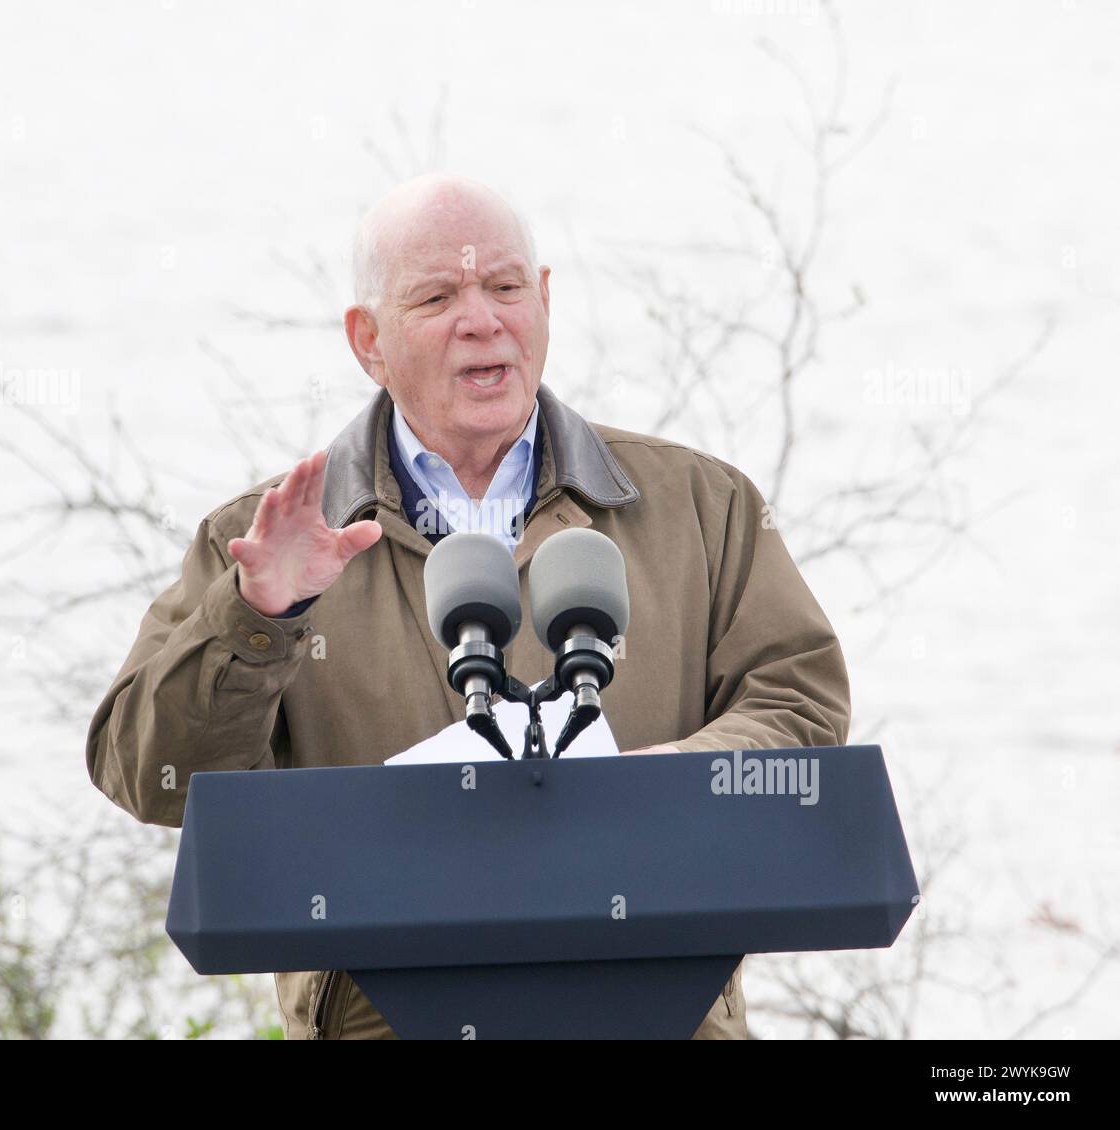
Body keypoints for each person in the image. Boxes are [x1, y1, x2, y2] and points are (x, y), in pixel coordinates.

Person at [86, 174, 851, 1040]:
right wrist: (260, 618)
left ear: (547, 302)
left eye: (506, 286)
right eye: (438, 295)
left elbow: (800, 703)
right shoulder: (264, 542)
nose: (483, 319)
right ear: (367, 340)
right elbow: (150, 776)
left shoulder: (700, 507)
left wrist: (651, 792)